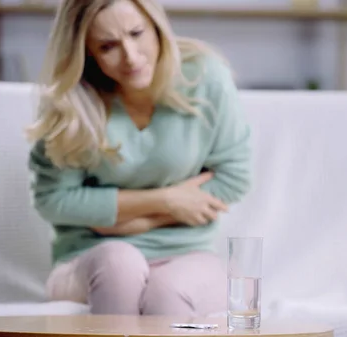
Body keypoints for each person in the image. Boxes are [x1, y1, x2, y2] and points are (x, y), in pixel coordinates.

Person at [25, 0, 251, 317]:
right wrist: (168, 199)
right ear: (86, 51)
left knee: (168, 290)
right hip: (87, 257)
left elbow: (233, 177)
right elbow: (54, 199)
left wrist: (124, 222)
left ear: (156, 24)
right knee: (120, 265)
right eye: (107, 46)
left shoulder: (205, 76)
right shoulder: (70, 101)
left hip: (187, 253)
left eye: (136, 33)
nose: (131, 57)